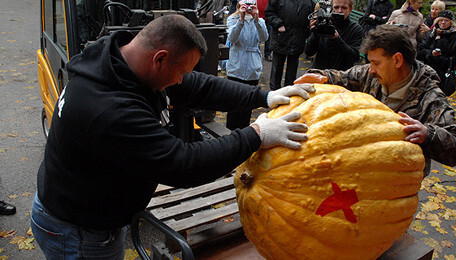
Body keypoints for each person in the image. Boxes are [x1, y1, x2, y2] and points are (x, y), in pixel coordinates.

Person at [31, 14, 316, 259]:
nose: (181, 80)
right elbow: (182, 163)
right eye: (180, 71)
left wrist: (264, 96)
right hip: (79, 231)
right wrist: (256, 135)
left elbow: (198, 86)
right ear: (161, 58)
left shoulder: (123, 61)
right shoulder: (109, 109)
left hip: (95, 208)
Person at [295, 25, 456, 176]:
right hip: (358, 169)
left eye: (376, 63)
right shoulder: (369, 75)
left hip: (394, 183)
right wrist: (320, 76)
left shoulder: (430, 97)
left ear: (397, 60)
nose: (371, 69)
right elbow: (341, 78)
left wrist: (428, 134)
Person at [225, 0, 269, 130]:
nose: (249, 7)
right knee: (234, 103)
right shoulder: (232, 19)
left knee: (248, 103)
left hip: (252, 66)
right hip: (236, 65)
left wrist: (256, 20)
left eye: (251, 4)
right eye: (246, 4)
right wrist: (241, 20)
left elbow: (264, 38)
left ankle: (244, 134)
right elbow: (232, 38)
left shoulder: (260, 21)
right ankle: (230, 134)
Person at [264, 0, 314, 90]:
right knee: (276, 71)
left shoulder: (309, 2)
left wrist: (307, 33)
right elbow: (269, 12)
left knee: (292, 73)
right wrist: (278, 24)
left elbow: (311, 18)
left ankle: (288, 95)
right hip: (280, 39)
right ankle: (274, 95)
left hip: (297, 40)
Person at [304, 0, 364, 71]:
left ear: (350, 9)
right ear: (332, 8)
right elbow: (308, 52)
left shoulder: (356, 29)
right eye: (336, 7)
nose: (339, 11)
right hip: (320, 73)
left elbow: (353, 57)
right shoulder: (324, 23)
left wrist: (337, 39)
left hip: (341, 75)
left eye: (344, 8)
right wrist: (315, 32)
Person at [417, 10, 456, 96]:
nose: (443, 22)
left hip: (443, 72)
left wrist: (442, 59)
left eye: (446, 20)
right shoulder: (430, 34)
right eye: (441, 20)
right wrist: (431, 53)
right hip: (427, 70)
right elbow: (420, 51)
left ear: (451, 22)